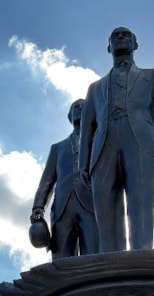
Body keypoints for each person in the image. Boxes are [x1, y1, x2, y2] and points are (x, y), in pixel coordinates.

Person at [79, 27, 154, 252]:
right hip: (104, 144)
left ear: (135, 45)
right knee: (105, 207)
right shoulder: (95, 88)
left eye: (126, 35)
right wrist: (83, 162)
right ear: (109, 47)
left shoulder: (150, 76)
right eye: (115, 36)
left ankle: (142, 255)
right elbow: (87, 128)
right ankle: (110, 260)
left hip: (140, 139)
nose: (120, 38)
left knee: (141, 201)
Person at [31, 99, 98, 259]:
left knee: (93, 257)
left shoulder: (100, 142)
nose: (79, 109)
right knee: (61, 258)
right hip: (62, 208)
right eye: (75, 107)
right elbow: (47, 181)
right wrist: (38, 207)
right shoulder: (58, 148)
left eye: (83, 107)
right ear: (70, 115)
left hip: (91, 205)